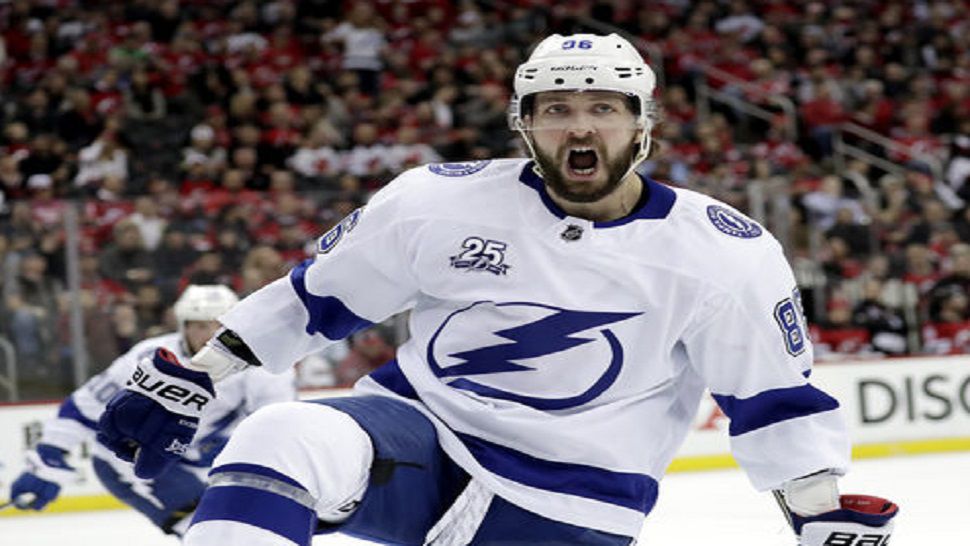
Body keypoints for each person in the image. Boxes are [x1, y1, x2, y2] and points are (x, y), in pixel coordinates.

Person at [98, 34, 898, 546]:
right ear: (523, 124)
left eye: (602, 109)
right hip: (419, 433)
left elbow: (773, 400)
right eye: (555, 110)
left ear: (642, 126)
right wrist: (201, 376)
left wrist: (818, 512)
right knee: (283, 435)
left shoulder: (723, 252)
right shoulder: (436, 201)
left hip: (572, 502)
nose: (579, 128)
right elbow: (317, 298)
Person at [10, 285, 296, 537]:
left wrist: (242, 452)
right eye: (197, 325)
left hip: (202, 457)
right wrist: (48, 456)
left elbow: (275, 423)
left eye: (217, 325)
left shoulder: (260, 365)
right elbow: (84, 407)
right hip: (134, 461)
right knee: (207, 530)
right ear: (182, 325)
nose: (208, 334)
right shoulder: (150, 358)